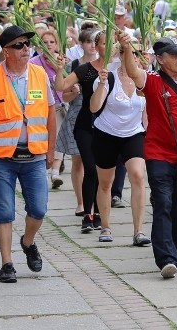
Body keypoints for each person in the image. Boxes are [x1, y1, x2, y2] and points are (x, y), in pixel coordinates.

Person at [118, 33, 177, 278]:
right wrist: (127, 48)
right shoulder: (152, 80)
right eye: (174, 54)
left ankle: (175, 252)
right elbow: (132, 71)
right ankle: (165, 258)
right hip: (159, 153)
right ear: (160, 59)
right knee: (163, 204)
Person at [0, 25, 56, 283]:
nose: (25, 49)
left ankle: (28, 241)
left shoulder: (40, 74)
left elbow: (51, 112)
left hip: (35, 156)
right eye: (18, 46)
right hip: (3, 158)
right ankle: (7, 263)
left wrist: (52, 148)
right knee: (4, 212)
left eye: (27, 45)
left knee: (39, 209)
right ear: (6, 51)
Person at [89, 33, 151, 246]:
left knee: (138, 176)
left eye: (137, 54)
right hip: (106, 133)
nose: (134, 58)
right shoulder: (109, 75)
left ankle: (138, 231)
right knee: (106, 183)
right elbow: (94, 107)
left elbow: (147, 110)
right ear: (121, 54)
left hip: (133, 134)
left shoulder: (144, 77)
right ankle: (105, 226)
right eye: (130, 53)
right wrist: (100, 84)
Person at [54, 29, 104, 233]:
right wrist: (59, 69)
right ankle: (87, 212)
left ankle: (99, 212)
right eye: (97, 42)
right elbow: (61, 86)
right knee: (90, 169)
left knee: (103, 171)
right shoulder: (86, 69)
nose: (99, 46)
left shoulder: (119, 70)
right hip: (84, 124)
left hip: (108, 126)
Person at [30, 31, 79, 189]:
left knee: (57, 137)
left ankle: (55, 173)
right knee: (41, 139)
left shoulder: (64, 61)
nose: (49, 44)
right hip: (38, 107)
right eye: (45, 42)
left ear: (57, 44)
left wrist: (73, 88)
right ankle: (41, 171)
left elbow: (70, 80)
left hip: (58, 105)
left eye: (52, 42)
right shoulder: (33, 63)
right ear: (40, 45)